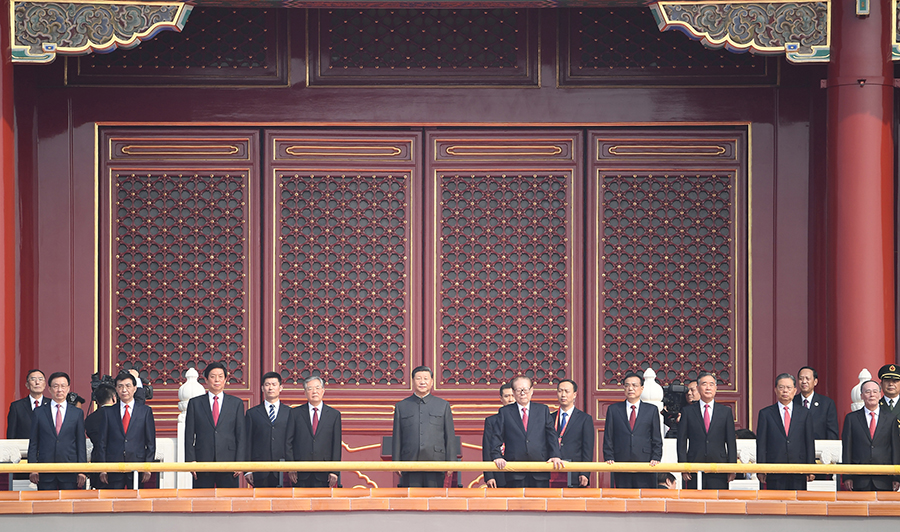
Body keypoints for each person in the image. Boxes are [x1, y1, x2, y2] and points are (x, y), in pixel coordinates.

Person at [490, 375, 564, 488]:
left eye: (526, 389)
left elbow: (551, 435)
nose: (522, 393)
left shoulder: (543, 410)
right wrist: (497, 456)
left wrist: (555, 455)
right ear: (513, 392)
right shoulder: (505, 412)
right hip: (514, 470)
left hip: (540, 468)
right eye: (519, 390)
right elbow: (496, 436)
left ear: (532, 390)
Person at [184, 361, 246, 488]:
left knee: (229, 498)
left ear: (225, 380)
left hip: (229, 461)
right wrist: (191, 460)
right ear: (206, 380)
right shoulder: (195, 403)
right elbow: (189, 434)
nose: (217, 380)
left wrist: (240, 461)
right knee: (202, 497)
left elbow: (241, 435)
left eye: (220, 376)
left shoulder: (236, 403)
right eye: (213, 376)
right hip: (202, 460)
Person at [392, 366, 456, 487]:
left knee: (434, 497)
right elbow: (397, 436)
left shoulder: (443, 405)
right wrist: (396, 461)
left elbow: (449, 436)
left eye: (426, 378)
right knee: (412, 498)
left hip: (436, 462)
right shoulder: (402, 406)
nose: (422, 382)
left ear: (431, 382)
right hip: (409, 461)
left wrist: (451, 461)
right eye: (418, 378)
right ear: (413, 381)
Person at [95, 372, 156, 489]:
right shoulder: (108, 412)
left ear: (134, 388)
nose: (124, 390)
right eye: (120, 386)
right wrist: (103, 468)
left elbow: (150, 442)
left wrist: (148, 467)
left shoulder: (145, 411)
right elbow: (102, 442)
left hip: (137, 464)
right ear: (116, 390)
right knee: (115, 498)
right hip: (114, 465)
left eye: (128, 386)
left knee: (135, 499)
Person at [27, 372, 87, 490]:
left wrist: (82, 470)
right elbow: (34, 442)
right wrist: (33, 468)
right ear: (49, 389)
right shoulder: (39, 412)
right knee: (46, 501)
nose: (59, 390)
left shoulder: (77, 413)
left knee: (68, 501)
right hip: (45, 470)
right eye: (55, 386)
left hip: (70, 469)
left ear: (68, 388)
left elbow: (81, 443)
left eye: (63, 386)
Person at [602, 371, 662, 488]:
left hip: (645, 462)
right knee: (623, 496)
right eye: (627, 385)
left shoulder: (651, 410)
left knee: (644, 496)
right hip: (620, 461)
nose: (630, 388)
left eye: (634, 385)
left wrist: (656, 457)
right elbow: (609, 436)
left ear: (641, 388)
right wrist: (609, 457)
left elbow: (656, 437)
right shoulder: (614, 409)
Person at [676, 372, 736, 489]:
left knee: (718, 499)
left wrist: (732, 467)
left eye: (711, 384)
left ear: (716, 388)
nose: (708, 387)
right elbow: (681, 441)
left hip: (719, 466)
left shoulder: (725, 412)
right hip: (693, 466)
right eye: (704, 384)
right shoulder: (687, 412)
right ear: (698, 388)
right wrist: (683, 466)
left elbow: (731, 441)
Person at [756, 373, 815, 490]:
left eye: (789, 388)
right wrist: (761, 469)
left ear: (795, 390)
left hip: (799, 468)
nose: (785, 391)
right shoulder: (766, 414)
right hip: (774, 469)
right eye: (781, 387)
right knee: (776, 500)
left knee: (797, 500)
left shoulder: (804, 413)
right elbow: (761, 443)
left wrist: (811, 468)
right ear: (775, 390)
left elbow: (809, 442)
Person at [841, 380, 900, 491]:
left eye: (875, 391)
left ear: (880, 395)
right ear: (861, 396)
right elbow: (847, 449)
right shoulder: (851, 419)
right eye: (867, 392)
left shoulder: (891, 419)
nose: (872, 395)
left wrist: (896, 477)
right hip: (859, 477)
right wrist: (847, 476)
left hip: (884, 477)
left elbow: (895, 449)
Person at [244, 372, 294, 488]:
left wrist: (293, 467)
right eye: (267, 384)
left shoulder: (290, 413)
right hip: (260, 469)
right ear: (262, 388)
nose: (270, 388)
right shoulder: (252, 413)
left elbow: (294, 441)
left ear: (280, 388)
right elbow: (247, 442)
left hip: (284, 469)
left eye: (274, 384)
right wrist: (247, 470)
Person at [291, 376, 342, 488]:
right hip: (300, 471)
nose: (314, 391)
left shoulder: (334, 415)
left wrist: (335, 471)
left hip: (324, 472)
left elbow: (336, 445)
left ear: (323, 390)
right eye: (310, 388)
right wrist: (290, 467)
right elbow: (288, 442)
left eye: (317, 388)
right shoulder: (295, 413)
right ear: (305, 392)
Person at [555, 379, 594, 487]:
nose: (563, 395)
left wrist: (585, 472)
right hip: (553, 469)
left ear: (574, 394)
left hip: (574, 471)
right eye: (560, 391)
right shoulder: (550, 417)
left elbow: (587, 449)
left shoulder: (584, 419)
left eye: (567, 391)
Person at [85, 383, 117, 489]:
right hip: (116, 461)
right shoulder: (118, 415)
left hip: (97, 460)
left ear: (97, 401)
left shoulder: (90, 418)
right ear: (114, 398)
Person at [483, 383, 515, 488]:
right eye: (506, 396)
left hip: (519, 470)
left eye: (513, 395)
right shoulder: (491, 421)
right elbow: (487, 449)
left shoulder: (525, 418)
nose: (510, 399)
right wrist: (489, 476)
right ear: (501, 398)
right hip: (499, 471)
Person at [793, 366, 839, 440]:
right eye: (801, 378)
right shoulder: (792, 402)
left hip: (819, 445)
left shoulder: (827, 404)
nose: (804, 381)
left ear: (815, 382)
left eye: (807, 378)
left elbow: (832, 433)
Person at [7, 369, 50, 439]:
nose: (37, 382)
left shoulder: (52, 404)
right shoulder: (16, 407)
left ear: (45, 384)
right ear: (27, 385)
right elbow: (11, 434)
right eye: (33, 379)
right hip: (24, 445)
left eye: (40, 379)